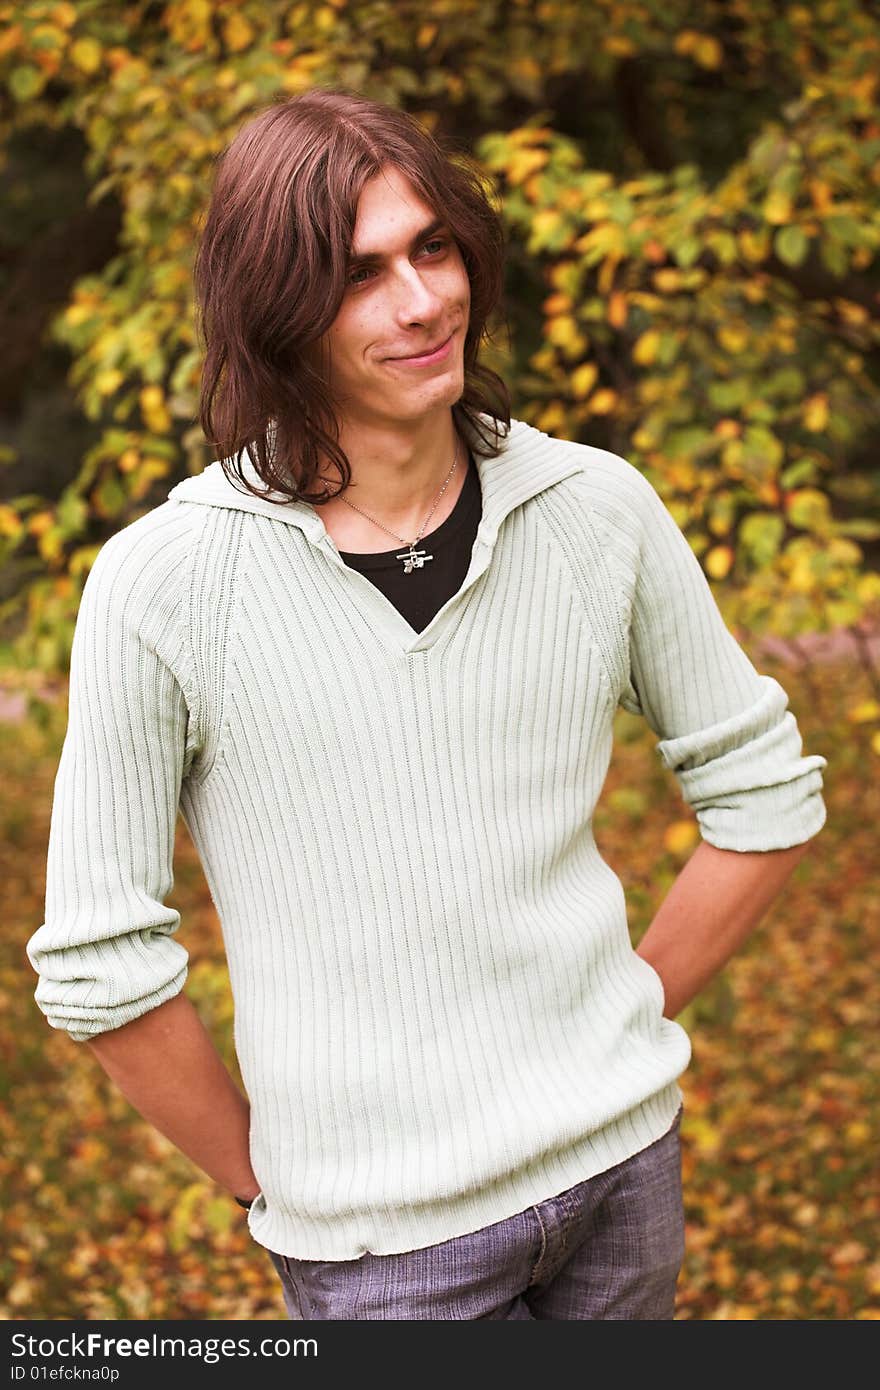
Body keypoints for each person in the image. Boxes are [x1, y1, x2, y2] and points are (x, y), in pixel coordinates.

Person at [26, 87, 827, 1321]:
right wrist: (273, 1186)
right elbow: (99, 964)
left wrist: (614, 1029)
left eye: (432, 247)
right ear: (274, 310)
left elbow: (765, 800)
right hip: (383, 1251)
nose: (419, 302)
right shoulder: (166, 584)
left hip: (624, 1184)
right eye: (359, 273)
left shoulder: (594, 509)